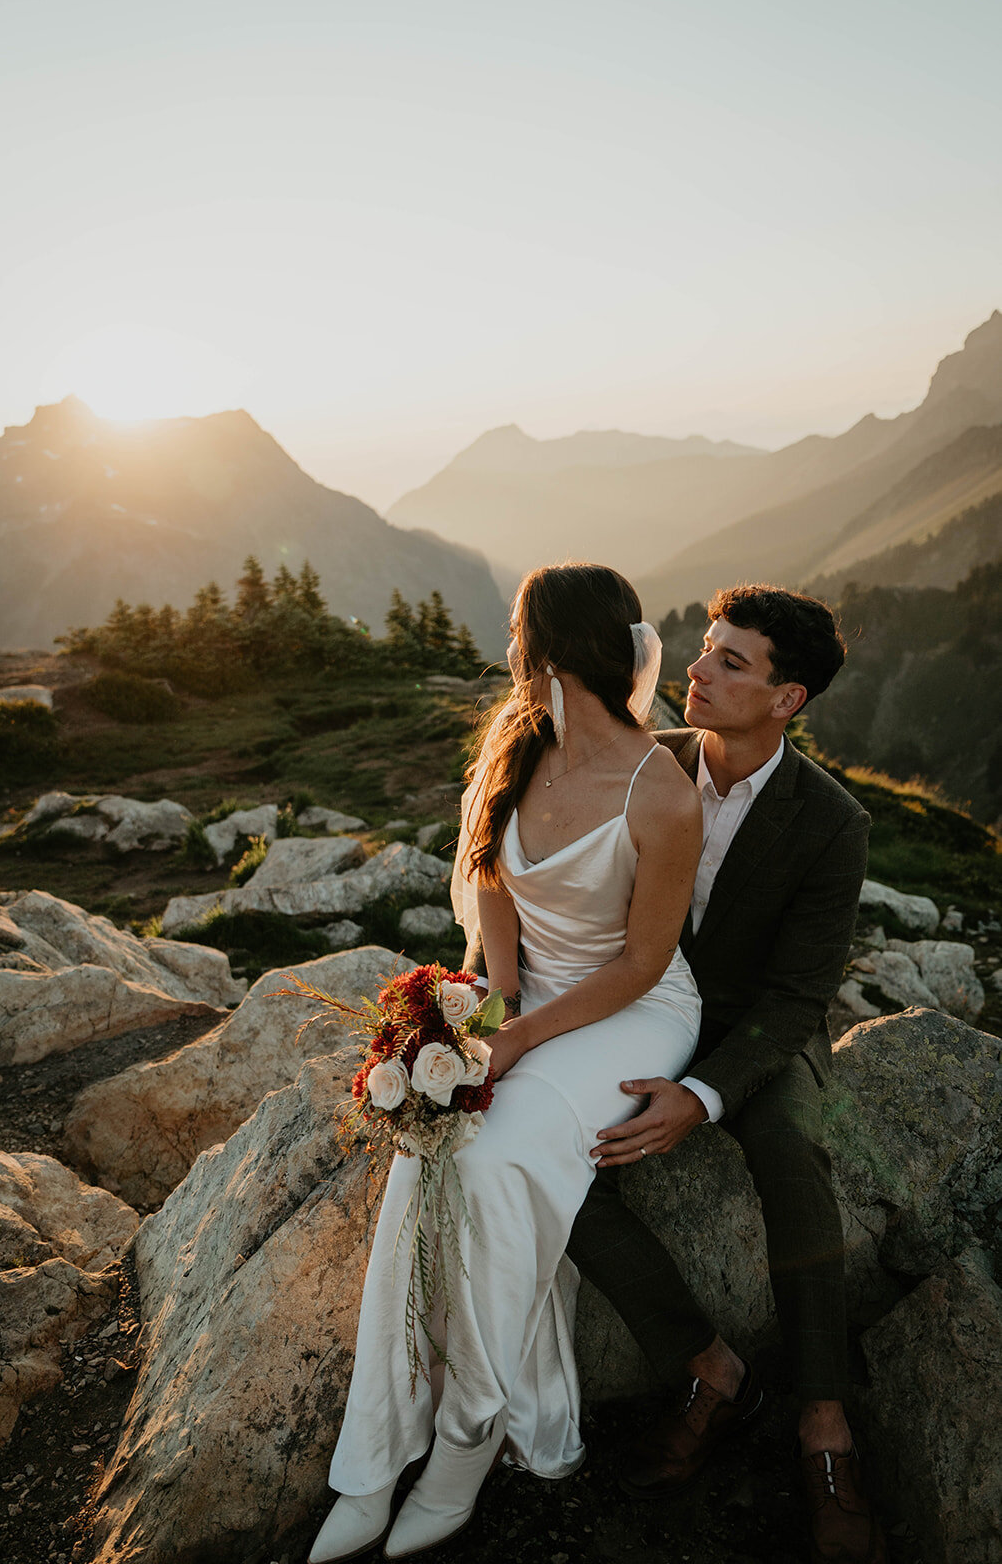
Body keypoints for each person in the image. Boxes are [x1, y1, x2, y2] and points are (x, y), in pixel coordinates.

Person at [309, 563, 703, 1564]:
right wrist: (492, 1007)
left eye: (519, 636)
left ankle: (466, 1434)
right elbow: (488, 887)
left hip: (629, 1009)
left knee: (490, 1159)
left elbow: (644, 960)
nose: (509, 653)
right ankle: (372, 1453)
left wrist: (523, 1038)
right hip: (526, 994)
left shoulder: (660, 791)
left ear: (557, 652)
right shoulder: (511, 748)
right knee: (422, 1155)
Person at [565, 584, 886, 1564]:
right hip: (638, 1014)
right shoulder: (643, 767)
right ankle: (705, 1363)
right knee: (548, 1150)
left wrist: (701, 1096)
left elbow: (797, 997)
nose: (692, 670)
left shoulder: (832, 822)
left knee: (793, 1153)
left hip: (755, 1032)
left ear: (786, 698)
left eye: (728, 661)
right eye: (702, 649)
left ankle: (821, 1423)